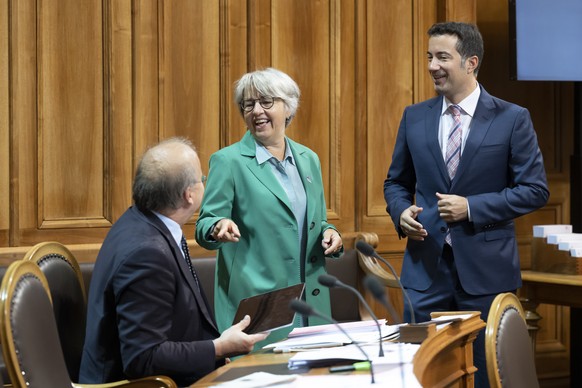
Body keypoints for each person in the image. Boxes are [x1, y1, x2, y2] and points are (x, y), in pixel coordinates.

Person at [383, 22, 549, 388]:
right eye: (429, 56)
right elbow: (396, 182)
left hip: (487, 276)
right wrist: (401, 211)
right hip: (424, 275)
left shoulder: (512, 118)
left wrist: (471, 207)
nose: (432, 66)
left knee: (487, 376)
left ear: (471, 62)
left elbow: (535, 190)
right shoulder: (415, 117)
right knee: (420, 374)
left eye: (442, 57)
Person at [79, 138, 268, 386]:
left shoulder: (139, 222)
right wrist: (217, 348)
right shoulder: (146, 254)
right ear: (188, 195)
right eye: (201, 178)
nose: (204, 182)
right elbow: (142, 358)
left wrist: (214, 351)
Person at [195, 68, 343, 346]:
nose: (256, 111)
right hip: (260, 306)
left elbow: (318, 221)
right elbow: (205, 223)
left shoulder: (308, 159)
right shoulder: (228, 162)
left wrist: (330, 232)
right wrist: (217, 227)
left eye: (266, 102)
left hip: (313, 305)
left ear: (288, 107)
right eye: (248, 105)